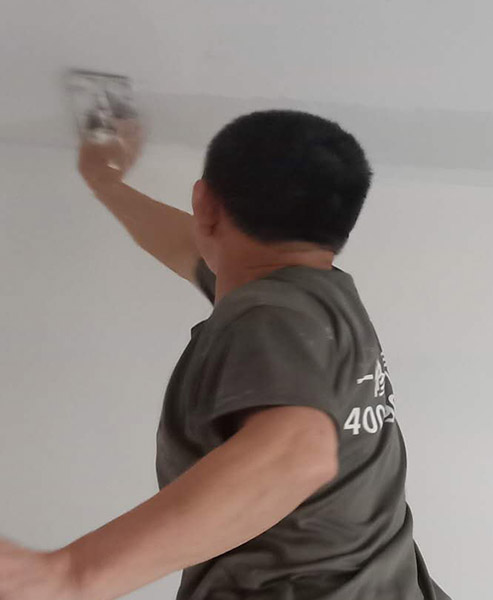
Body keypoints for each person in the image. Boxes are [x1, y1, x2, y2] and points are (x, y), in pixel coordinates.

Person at [0, 110, 451, 600]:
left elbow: (298, 453)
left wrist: (68, 575)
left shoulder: (270, 316)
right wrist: (106, 183)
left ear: (204, 203)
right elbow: (190, 247)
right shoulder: (316, 303)